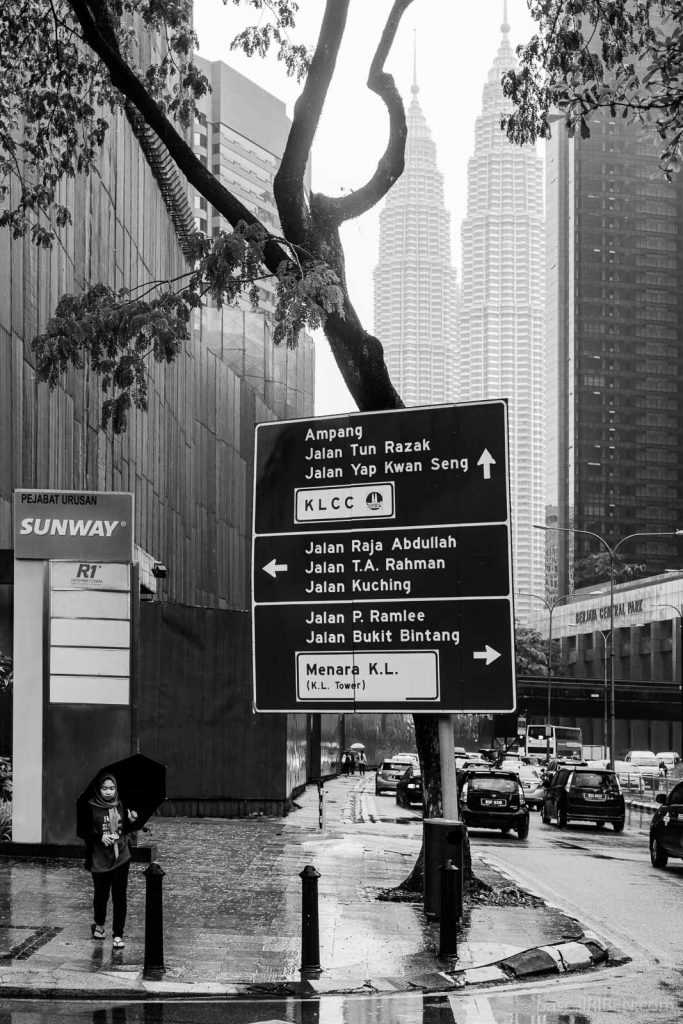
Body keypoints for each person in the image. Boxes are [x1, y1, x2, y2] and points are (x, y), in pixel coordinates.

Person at [86, 772, 139, 949]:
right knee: (101, 896)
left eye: (112, 788)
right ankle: (99, 925)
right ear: (98, 789)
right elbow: (83, 831)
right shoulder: (91, 806)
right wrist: (100, 836)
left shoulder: (121, 804)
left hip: (121, 856)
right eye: (104, 788)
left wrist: (131, 822)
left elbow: (126, 829)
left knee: (119, 896)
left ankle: (118, 934)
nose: (108, 792)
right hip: (100, 858)